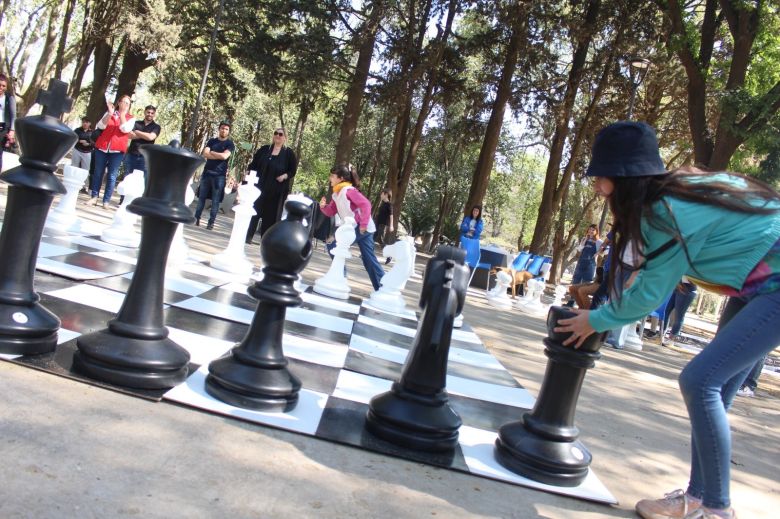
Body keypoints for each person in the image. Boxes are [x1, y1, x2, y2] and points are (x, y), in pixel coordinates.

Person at [556, 121, 780, 519]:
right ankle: (697, 499)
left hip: (772, 283)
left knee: (700, 380)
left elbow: (647, 298)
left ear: (624, 178)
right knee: (717, 388)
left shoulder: (666, 212)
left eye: (601, 177)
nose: (596, 186)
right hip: (756, 281)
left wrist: (596, 319)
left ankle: (716, 510)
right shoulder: (681, 188)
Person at [318, 163, 384, 291]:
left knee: (333, 245)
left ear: (341, 178)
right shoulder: (337, 193)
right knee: (368, 259)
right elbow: (331, 211)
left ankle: (340, 278)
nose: (330, 178)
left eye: (332, 176)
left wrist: (363, 224)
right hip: (362, 228)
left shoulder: (348, 191)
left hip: (361, 227)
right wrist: (323, 207)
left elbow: (366, 205)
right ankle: (383, 288)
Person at [245, 127, 297, 243]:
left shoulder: (288, 153)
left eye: (281, 134)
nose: (278, 136)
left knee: (270, 216)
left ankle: (265, 241)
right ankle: (248, 236)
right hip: (259, 187)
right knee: (254, 212)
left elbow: (292, 171)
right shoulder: (264, 149)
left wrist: (284, 176)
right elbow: (253, 165)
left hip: (276, 191)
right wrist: (247, 175)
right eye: (276, 133)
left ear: (285, 138)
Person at [87, 95, 135, 208]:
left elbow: (125, 129)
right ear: (118, 102)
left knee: (112, 175)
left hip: (117, 150)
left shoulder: (131, 118)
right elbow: (101, 126)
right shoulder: (110, 113)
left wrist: (122, 115)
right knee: (98, 172)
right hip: (102, 147)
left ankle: (106, 201)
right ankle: (94, 197)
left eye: (127, 103)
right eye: (123, 102)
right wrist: (109, 113)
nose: (124, 104)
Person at [194, 121, 235, 230]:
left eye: (226, 129)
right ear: (219, 129)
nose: (224, 130)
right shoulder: (212, 141)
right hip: (207, 173)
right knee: (201, 198)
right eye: (222, 128)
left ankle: (211, 223)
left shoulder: (230, 144)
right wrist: (217, 155)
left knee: (216, 200)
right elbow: (205, 153)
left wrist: (213, 153)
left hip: (219, 176)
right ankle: (196, 218)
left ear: (228, 132)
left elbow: (224, 157)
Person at [124, 105, 160, 181]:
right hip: (132, 155)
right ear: (145, 112)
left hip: (145, 157)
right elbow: (129, 135)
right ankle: (124, 194)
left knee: (142, 181)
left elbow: (151, 137)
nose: (150, 114)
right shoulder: (136, 123)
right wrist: (146, 135)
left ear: (154, 114)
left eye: (152, 113)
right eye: (148, 112)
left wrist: (136, 132)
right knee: (127, 178)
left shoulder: (156, 127)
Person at [0, 73, 16, 173]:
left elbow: (13, 116)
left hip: (2, 129)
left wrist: (12, 131)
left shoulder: (9, 99)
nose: (1, 87)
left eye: (3, 86)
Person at [72, 117, 93, 193]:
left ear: (90, 123)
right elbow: (73, 138)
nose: (85, 123)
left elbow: (94, 143)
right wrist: (79, 141)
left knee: (86, 170)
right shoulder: (77, 130)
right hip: (77, 150)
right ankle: (72, 182)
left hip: (87, 152)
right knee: (74, 166)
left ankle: (84, 187)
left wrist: (88, 144)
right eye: (83, 122)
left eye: (87, 122)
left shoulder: (92, 132)